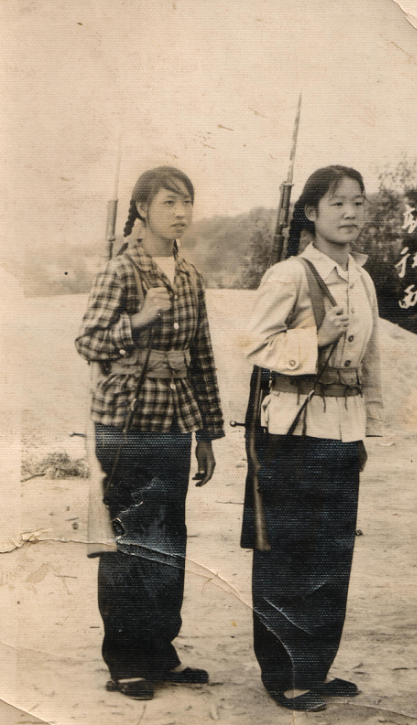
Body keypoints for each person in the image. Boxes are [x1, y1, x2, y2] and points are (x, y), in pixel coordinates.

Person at [76, 166, 224, 701]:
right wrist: (137, 320)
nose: (180, 213)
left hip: (174, 422)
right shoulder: (120, 270)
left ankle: (160, 651)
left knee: (168, 540)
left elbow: (202, 356)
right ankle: (125, 662)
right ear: (142, 209)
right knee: (127, 542)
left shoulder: (189, 274)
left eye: (186, 202)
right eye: (168, 203)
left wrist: (207, 433)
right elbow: (88, 341)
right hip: (124, 422)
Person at [242, 165, 383, 712]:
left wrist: (368, 426)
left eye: (358, 202)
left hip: (343, 431)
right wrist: (314, 338)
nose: (350, 213)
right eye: (337, 203)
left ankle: (315, 668)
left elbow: (371, 360)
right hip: (294, 433)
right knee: (288, 556)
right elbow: (255, 345)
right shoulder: (289, 275)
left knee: (332, 555)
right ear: (310, 212)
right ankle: (284, 675)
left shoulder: (362, 279)